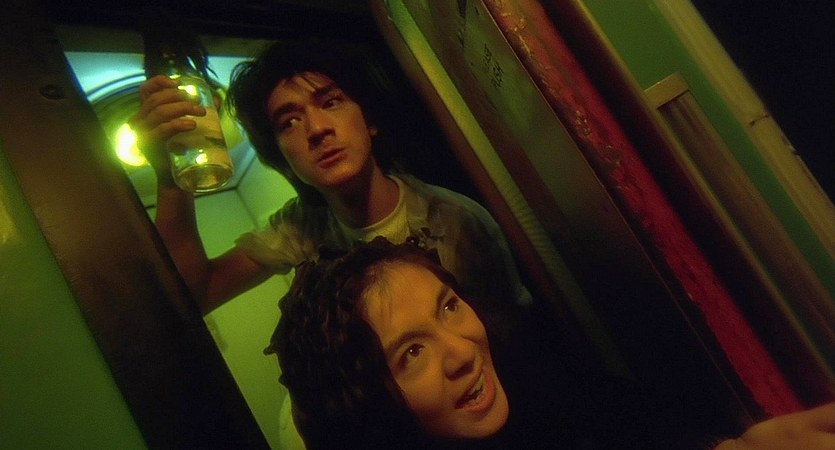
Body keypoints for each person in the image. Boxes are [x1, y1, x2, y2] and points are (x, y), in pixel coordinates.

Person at [269, 237, 835, 449]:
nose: (463, 350)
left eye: (448, 307)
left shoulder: (539, 387)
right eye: (411, 353)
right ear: (367, 405)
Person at [129, 38, 532, 330]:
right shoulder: (301, 229)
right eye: (289, 122)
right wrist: (170, 178)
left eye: (331, 102)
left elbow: (515, 338)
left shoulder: (455, 222)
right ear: (282, 156)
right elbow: (193, 294)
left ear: (369, 120)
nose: (317, 129)